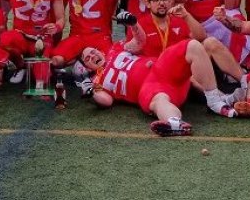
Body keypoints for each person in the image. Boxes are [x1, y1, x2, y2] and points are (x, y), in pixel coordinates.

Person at [85, 30, 235, 137]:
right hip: (149, 88)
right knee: (159, 99)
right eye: (87, 58)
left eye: (93, 51)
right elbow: (106, 101)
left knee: (193, 45)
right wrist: (91, 94)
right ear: (86, 67)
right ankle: (175, 123)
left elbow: (139, 42)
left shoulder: (115, 49)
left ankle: (215, 101)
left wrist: (134, 24)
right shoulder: (96, 81)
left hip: (160, 68)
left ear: (100, 51)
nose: (92, 56)